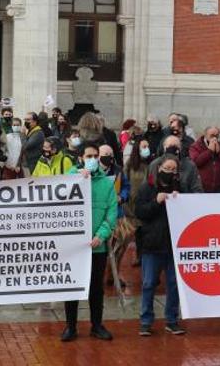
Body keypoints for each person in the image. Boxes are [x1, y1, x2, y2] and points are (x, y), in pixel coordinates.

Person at [62, 142, 117, 342]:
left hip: (97, 247)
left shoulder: (107, 184)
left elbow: (111, 213)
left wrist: (100, 235)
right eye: (89, 156)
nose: (93, 159)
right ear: (80, 158)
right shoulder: (68, 180)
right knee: (72, 287)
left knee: (96, 288)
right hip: (73, 248)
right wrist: (75, 178)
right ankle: (70, 326)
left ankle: (96, 325)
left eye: (96, 156)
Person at [136, 154, 186, 336]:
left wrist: (180, 201)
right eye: (167, 169)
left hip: (174, 244)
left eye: (174, 170)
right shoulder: (146, 189)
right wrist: (156, 202)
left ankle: (172, 320)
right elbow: (140, 212)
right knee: (149, 283)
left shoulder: (180, 189)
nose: (170, 173)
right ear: (159, 169)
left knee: (173, 283)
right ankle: (146, 321)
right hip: (152, 244)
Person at [98, 144, 131, 287]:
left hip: (117, 214)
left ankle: (114, 274)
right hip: (99, 215)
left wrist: (122, 197)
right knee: (100, 249)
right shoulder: (92, 171)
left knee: (121, 245)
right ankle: (99, 276)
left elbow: (126, 186)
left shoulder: (118, 170)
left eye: (110, 154)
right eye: (104, 154)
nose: (108, 157)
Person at [124, 137, 152, 266]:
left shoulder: (152, 164)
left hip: (148, 202)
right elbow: (125, 182)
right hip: (133, 203)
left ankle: (144, 257)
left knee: (146, 232)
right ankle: (138, 255)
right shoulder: (130, 165)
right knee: (136, 232)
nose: (146, 150)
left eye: (147, 147)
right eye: (143, 147)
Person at [189, 126, 220, 193]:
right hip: (201, 186)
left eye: (216, 136)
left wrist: (219, 153)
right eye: (212, 135)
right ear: (205, 134)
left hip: (219, 187)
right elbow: (196, 163)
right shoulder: (196, 146)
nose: (214, 138)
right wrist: (209, 151)